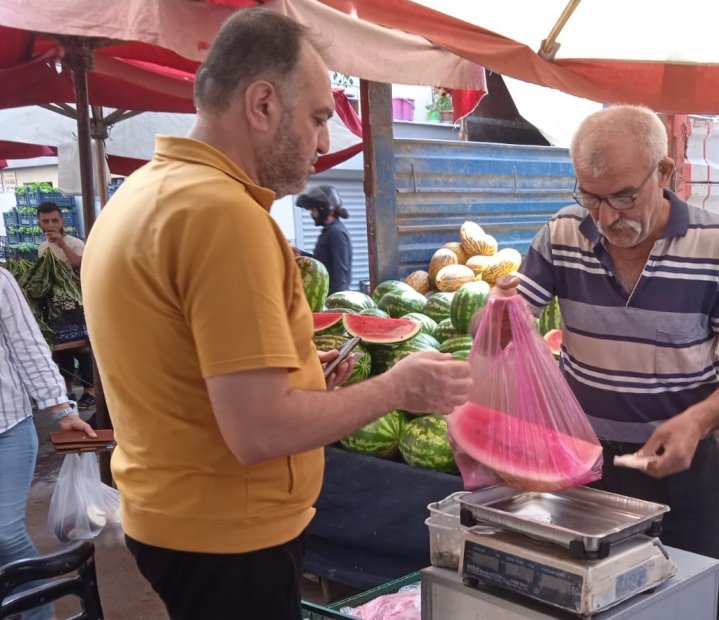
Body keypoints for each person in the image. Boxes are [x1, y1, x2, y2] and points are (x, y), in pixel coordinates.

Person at [80, 9, 472, 620]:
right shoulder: (224, 216)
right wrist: (399, 387)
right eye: (318, 118)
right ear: (262, 104)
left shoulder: (143, 192)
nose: (324, 142)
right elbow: (260, 431)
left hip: (169, 519)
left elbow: (184, 364)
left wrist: (298, 372)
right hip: (229, 538)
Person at [497, 105, 719, 620]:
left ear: (665, 173)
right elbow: (507, 328)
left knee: (698, 605)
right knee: (592, 606)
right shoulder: (562, 234)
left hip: (686, 474)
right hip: (585, 469)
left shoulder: (718, 245)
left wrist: (698, 421)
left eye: (624, 196)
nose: (606, 217)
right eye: (590, 196)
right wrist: (496, 312)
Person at [0, 267, 96, 620]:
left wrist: (60, 408)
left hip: (6, 426)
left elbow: (27, 346)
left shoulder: (1, 281)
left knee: (3, 532)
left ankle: (37, 612)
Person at [37, 201, 97, 411]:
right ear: (39, 223)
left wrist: (62, 244)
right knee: (62, 350)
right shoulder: (42, 248)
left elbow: (80, 263)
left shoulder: (74, 242)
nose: (50, 224)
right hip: (56, 307)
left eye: (54, 220)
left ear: (62, 221)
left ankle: (90, 391)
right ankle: (68, 388)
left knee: (82, 347)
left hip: (78, 303)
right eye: (46, 221)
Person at [296, 185, 353, 293]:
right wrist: (301, 254)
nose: (312, 214)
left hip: (331, 300)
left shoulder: (336, 233)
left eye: (313, 209)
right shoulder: (329, 231)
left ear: (324, 208)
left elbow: (340, 276)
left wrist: (333, 304)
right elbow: (323, 263)